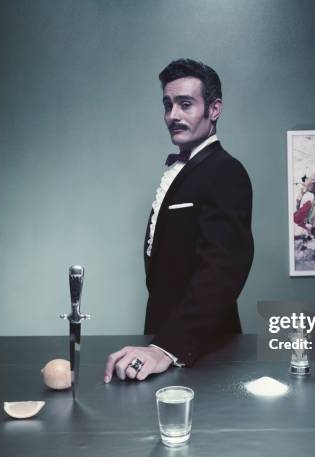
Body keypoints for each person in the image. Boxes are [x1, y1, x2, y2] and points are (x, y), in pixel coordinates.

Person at [104, 59, 254, 382]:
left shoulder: (226, 172)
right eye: (168, 105)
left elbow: (221, 271)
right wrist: (155, 344)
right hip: (161, 344)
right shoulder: (183, 171)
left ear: (214, 110)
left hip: (205, 352)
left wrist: (165, 348)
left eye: (185, 104)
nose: (173, 115)